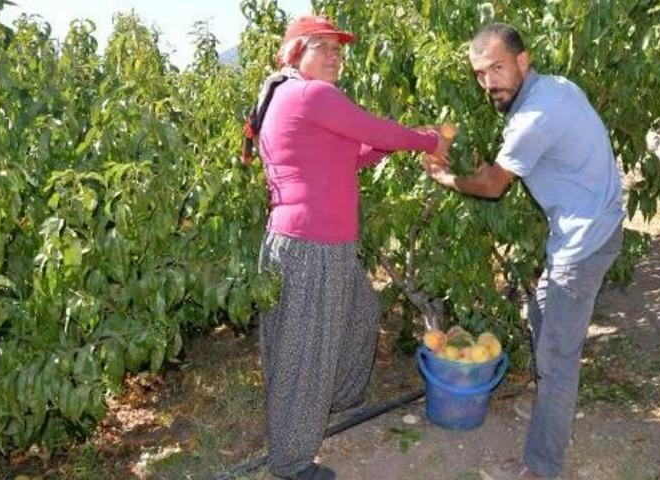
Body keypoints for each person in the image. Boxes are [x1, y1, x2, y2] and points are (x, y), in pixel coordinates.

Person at [242, 15, 450, 480]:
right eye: (326, 48)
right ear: (297, 53)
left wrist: (398, 143)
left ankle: (328, 397)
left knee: (359, 313)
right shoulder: (311, 94)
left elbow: (351, 152)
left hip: (303, 242)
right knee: (305, 352)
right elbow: (373, 129)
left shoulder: (287, 96)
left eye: (339, 49)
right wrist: (430, 139)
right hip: (312, 245)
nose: (336, 56)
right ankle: (292, 463)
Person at [421, 23, 624, 480]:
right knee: (541, 315)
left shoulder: (534, 117)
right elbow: (502, 168)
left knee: (556, 360)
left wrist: (446, 178)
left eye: (497, 67)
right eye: (480, 73)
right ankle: (554, 406)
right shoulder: (555, 89)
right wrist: (467, 166)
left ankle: (541, 466)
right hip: (596, 225)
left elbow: (493, 186)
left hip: (583, 243)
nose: (489, 81)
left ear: (523, 61)